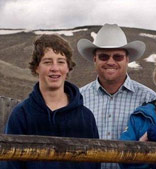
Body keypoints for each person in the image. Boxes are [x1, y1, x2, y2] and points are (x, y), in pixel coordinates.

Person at [0, 34, 100, 169]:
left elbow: (94, 164)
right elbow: (10, 164)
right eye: (47, 62)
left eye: (60, 61)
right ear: (36, 67)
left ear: (68, 67)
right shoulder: (21, 114)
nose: (55, 68)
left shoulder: (85, 117)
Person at [77, 24, 156, 169]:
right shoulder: (79, 99)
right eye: (104, 56)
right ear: (94, 58)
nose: (110, 62)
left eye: (117, 56)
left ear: (127, 59)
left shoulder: (149, 99)